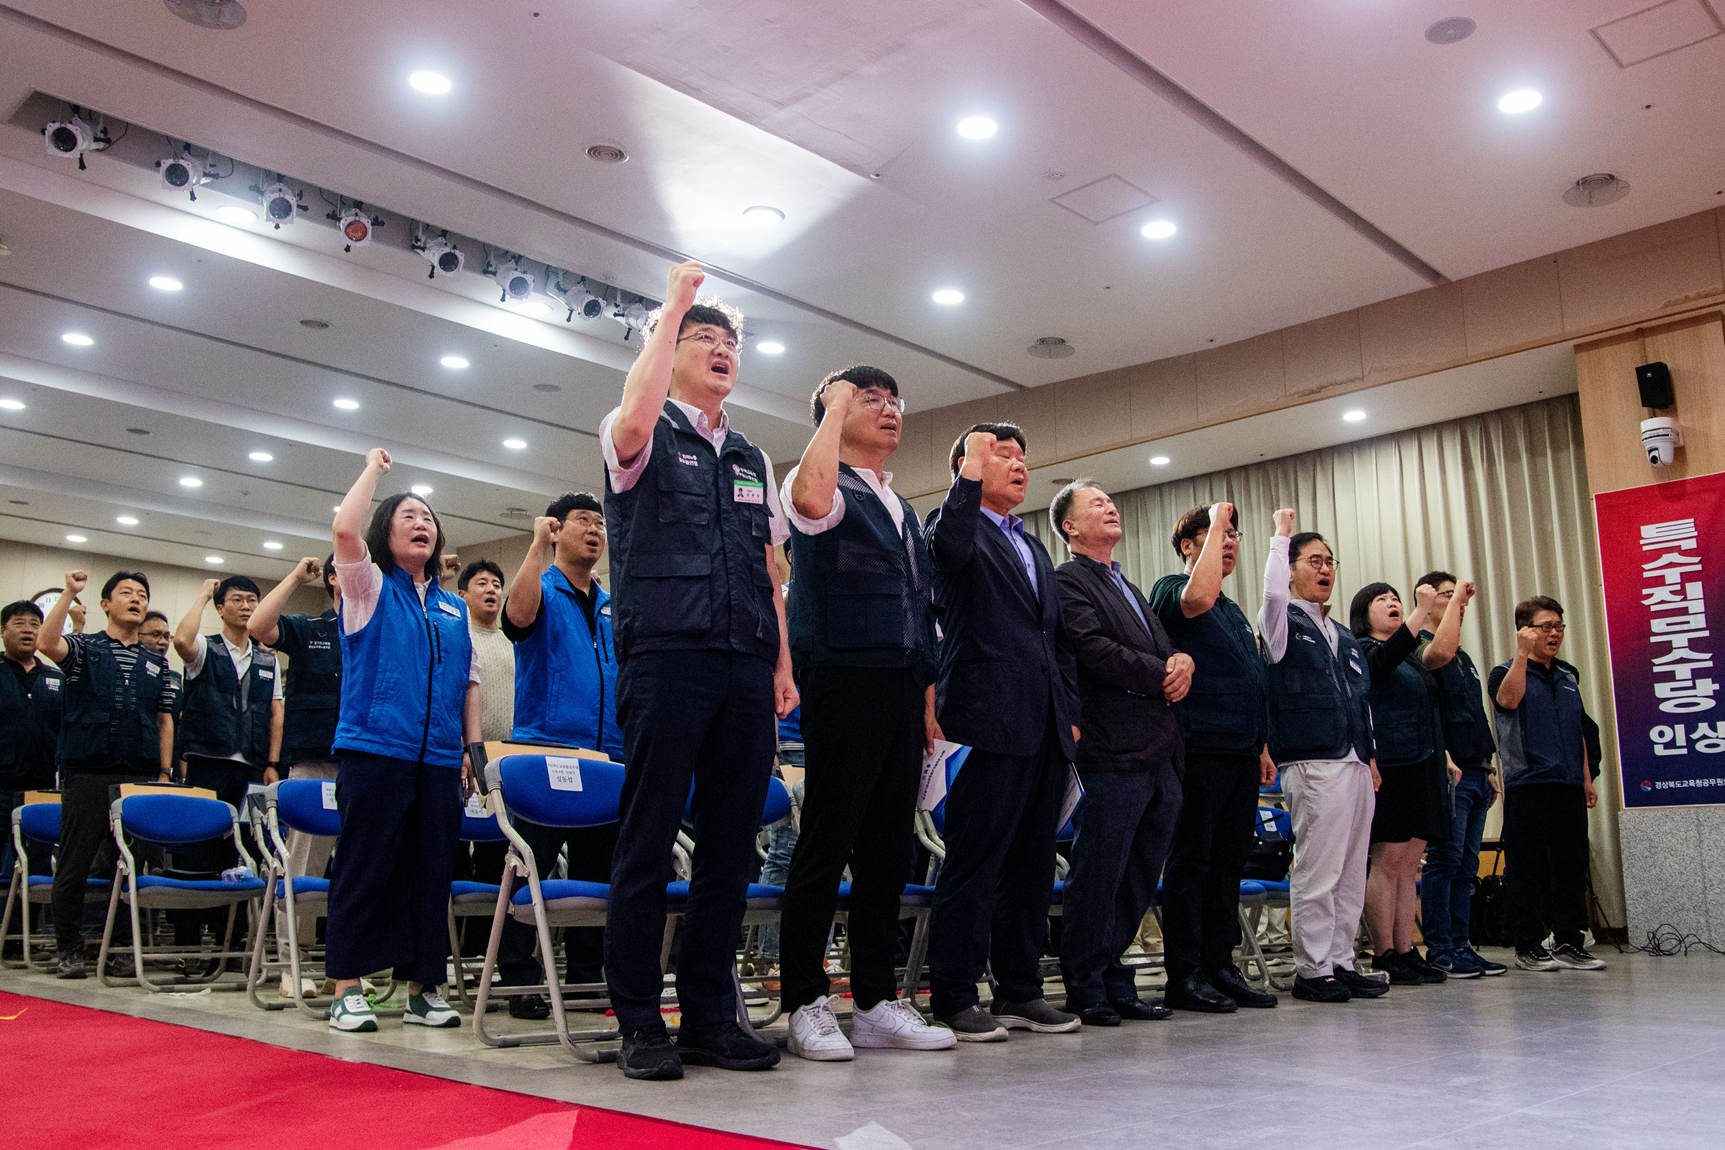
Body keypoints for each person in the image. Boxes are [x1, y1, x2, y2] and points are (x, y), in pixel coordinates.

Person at [598, 261, 797, 1080]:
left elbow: (770, 569)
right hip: (666, 656)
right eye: (702, 339)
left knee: (728, 848)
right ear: (667, 351)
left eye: (729, 342)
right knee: (647, 842)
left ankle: (711, 1014)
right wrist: (674, 305)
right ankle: (640, 1019)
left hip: (745, 663)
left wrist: (782, 664)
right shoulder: (638, 431)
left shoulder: (750, 455)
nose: (722, 351)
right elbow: (632, 421)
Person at [776, 366, 952, 1061]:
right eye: (868, 399)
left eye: (892, 400)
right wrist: (832, 407)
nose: (888, 410)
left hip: (901, 684)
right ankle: (804, 999)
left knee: (887, 848)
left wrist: (927, 697)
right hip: (842, 675)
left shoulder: (899, 503)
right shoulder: (818, 477)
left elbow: (921, 609)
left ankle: (876, 1000)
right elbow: (809, 500)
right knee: (828, 841)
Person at [924, 422, 1082, 1042]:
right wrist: (968, 472)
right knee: (975, 862)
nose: (1018, 465)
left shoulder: (1033, 544)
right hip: (984, 718)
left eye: (1022, 456)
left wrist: (1069, 711)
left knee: (1032, 866)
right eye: (1001, 455)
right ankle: (955, 995)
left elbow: (1055, 637)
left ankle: (1020, 989)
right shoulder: (952, 527)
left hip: (1044, 724)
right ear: (967, 465)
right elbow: (950, 552)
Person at [323, 448, 481, 1033]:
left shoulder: (453, 607)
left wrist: (471, 751)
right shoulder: (367, 587)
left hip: (439, 760)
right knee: (366, 869)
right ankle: (347, 987)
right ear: (385, 532)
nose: (422, 524)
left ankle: (423, 989)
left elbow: (468, 681)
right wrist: (374, 469)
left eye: (428, 518)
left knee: (431, 874)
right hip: (375, 749)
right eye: (408, 516)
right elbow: (345, 530)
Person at [1050, 480, 1190, 1026]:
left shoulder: (1127, 584)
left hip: (1160, 749)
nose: (1110, 506)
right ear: (1070, 526)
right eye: (1097, 504)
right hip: (1111, 746)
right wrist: (1162, 673)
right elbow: (1092, 649)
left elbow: (1162, 648)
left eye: (1111, 501)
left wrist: (1182, 662)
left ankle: (1112, 975)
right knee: (1099, 870)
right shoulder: (1067, 580)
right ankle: (1084, 982)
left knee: (1139, 874)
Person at [496, 494, 623, 1020]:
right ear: (556, 530)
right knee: (529, 867)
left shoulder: (612, 601)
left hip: (607, 754)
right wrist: (535, 547)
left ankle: (587, 976)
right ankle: (518, 978)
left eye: (600, 524)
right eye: (582, 522)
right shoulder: (542, 586)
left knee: (599, 874)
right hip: (546, 748)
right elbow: (516, 619)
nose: (594, 531)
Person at [1150, 503, 1278, 1013]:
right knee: (1192, 861)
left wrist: (1262, 745)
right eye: (1219, 533)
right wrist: (1217, 513)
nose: (1230, 542)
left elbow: (1252, 681)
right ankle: (1185, 973)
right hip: (1199, 747)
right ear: (1187, 546)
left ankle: (1221, 966)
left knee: (1228, 863)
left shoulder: (1234, 611)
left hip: (1241, 750)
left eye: (1234, 536)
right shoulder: (1171, 588)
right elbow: (1196, 597)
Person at [1258, 514, 1385, 1004]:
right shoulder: (1281, 622)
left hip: (1354, 762)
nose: (1326, 569)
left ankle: (1341, 961)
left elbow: (1362, 700)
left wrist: (1371, 756)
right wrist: (1280, 535)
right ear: (1290, 570)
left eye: (1330, 561)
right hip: (1312, 762)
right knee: (1319, 870)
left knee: (1352, 872)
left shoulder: (1344, 635)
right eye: (1314, 561)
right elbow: (1272, 595)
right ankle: (1312, 969)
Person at [36, 570, 176, 980]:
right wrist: (68, 592)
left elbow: (164, 719)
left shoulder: (156, 661)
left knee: (129, 866)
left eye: (142, 595)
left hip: (138, 775)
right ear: (105, 604)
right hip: (88, 770)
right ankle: (69, 949)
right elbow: (47, 643)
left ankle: (119, 948)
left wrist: (163, 771)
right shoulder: (85, 648)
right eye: (126, 593)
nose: (136, 600)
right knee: (75, 864)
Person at [1348, 582, 1459, 986]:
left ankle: (1407, 948)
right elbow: (1383, 664)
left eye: (1395, 598)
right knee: (1388, 860)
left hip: (1422, 761)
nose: (1392, 603)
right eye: (1382, 600)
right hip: (1391, 764)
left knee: (1410, 863)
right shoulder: (1363, 649)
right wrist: (1422, 610)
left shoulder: (1411, 657)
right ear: (1363, 613)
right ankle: (1385, 952)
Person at [1489, 596, 1605, 973]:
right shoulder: (1504, 671)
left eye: (1559, 626)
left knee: (1572, 866)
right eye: (1545, 627)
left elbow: (1579, 731)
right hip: (1528, 783)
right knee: (1527, 868)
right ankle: (1528, 944)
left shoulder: (1568, 675)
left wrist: (1586, 779)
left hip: (1569, 784)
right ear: (1525, 631)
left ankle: (1570, 941)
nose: (1554, 633)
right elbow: (1508, 701)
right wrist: (1522, 654)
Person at [170, 576, 285, 959]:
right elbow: (181, 641)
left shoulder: (268, 659)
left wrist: (272, 763)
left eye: (252, 600)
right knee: (199, 849)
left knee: (244, 852)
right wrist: (203, 594)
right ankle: (187, 945)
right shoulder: (207, 648)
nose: (247, 606)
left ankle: (231, 943)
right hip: (209, 763)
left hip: (253, 769)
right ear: (221, 608)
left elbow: (276, 713)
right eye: (237, 599)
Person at [250, 555, 345, 996]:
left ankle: (346, 965)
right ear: (333, 578)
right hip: (314, 759)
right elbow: (259, 626)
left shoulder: (379, 628)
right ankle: (294, 965)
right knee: (304, 866)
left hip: (365, 760)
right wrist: (294, 578)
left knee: (357, 869)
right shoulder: (312, 629)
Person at [1412, 572, 1507, 978]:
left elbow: (1473, 715)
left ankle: (1462, 944)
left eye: (1461, 597)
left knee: (1468, 864)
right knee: (1445, 860)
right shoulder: (1421, 647)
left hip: (1477, 771)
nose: (1458, 602)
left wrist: (1488, 767)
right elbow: (1429, 711)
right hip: (1451, 772)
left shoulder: (1463, 657)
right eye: (1448, 596)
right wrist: (1447, 757)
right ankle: (1440, 948)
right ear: (1427, 600)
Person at [1, 601, 64, 883]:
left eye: (34, 624)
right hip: (1, 782)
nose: (27, 630)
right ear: (3, 631)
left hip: (41, 784)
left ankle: (26, 913)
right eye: (19, 623)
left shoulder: (56, 678)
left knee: (37, 865)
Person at [459, 560, 515, 743]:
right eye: (482, 583)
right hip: (467, 750)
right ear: (462, 596)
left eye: (496, 585)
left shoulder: (513, 645)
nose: (491, 590)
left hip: (509, 751)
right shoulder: (459, 640)